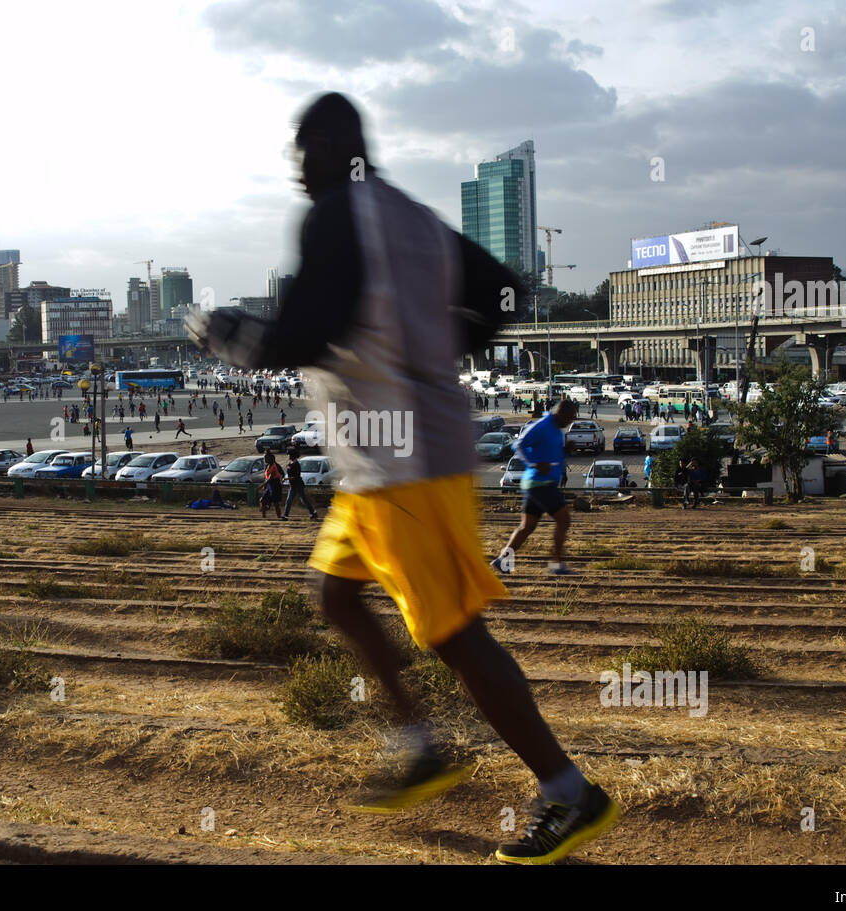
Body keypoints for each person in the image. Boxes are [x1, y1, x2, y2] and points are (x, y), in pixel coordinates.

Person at [185, 92, 617, 865]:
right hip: (375, 462)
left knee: (453, 631)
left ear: (328, 148)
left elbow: (304, 333)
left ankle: (566, 790)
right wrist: (438, 347)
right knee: (337, 594)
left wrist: (228, 334)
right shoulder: (412, 217)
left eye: (300, 149)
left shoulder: (335, 215)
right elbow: (503, 291)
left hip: (404, 466)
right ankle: (421, 745)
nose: (294, 166)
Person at [489, 399, 577, 576]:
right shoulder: (542, 426)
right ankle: (557, 564)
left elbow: (550, 452)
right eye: (569, 418)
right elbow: (518, 445)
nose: (571, 421)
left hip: (540, 483)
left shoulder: (556, 429)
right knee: (564, 520)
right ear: (560, 413)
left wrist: (565, 451)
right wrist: (535, 464)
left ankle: (502, 561)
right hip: (540, 483)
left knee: (527, 527)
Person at [283, 448, 319, 521]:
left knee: (303, 500)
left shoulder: (297, 465)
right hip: (293, 485)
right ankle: (285, 516)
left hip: (298, 485)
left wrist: (286, 479)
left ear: (293, 455)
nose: (288, 456)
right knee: (289, 500)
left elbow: (296, 477)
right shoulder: (290, 464)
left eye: (289, 455)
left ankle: (313, 513)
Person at [260, 451, 284, 518]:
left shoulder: (275, 466)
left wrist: (261, 486)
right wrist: (265, 486)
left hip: (275, 485)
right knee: (262, 500)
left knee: (276, 503)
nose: (264, 459)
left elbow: (273, 477)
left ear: (270, 458)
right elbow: (266, 478)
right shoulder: (267, 466)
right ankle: (264, 517)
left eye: (266, 458)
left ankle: (279, 517)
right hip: (269, 485)